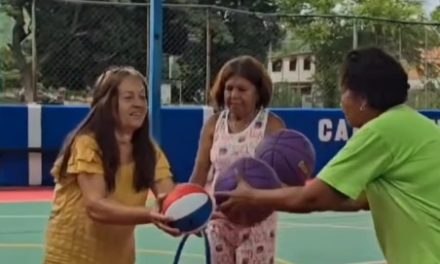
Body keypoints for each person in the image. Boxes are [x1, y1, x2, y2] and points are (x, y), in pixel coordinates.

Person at [216, 47, 440, 264]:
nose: (341, 101)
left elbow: (313, 198)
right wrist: (281, 192)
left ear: (362, 98)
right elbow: (358, 200)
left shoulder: (382, 131)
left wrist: (252, 196)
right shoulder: (412, 124)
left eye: (343, 91)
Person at [43, 66, 180, 264]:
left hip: (118, 257)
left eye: (142, 97)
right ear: (107, 104)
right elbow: (96, 206)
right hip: (71, 256)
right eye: (128, 97)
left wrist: (189, 212)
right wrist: (150, 214)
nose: (139, 104)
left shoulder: (150, 151)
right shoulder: (87, 144)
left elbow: (169, 198)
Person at [190, 55, 286, 264]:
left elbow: (283, 180)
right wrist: (191, 212)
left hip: (257, 223)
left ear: (257, 93)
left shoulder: (272, 126)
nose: (233, 95)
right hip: (219, 221)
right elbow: (200, 170)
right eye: (228, 88)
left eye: (242, 89)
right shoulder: (214, 125)